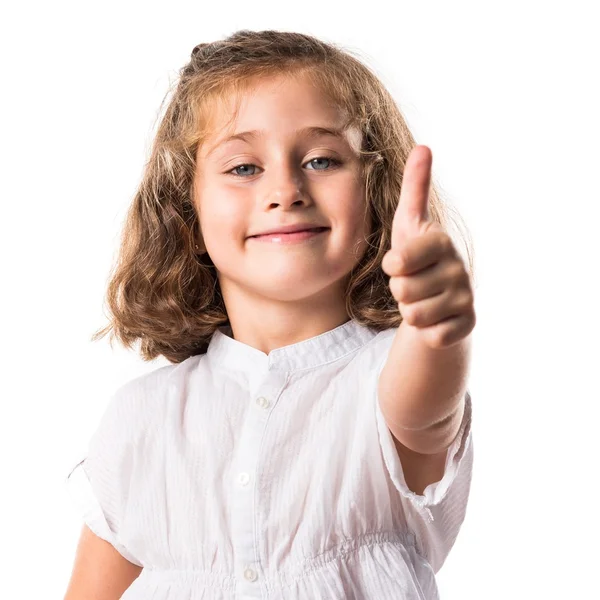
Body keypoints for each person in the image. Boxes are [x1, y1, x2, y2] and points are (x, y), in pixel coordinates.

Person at [63, 29, 477, 600]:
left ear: (375, 191)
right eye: (242, 167)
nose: (285, 188)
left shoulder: (383, 382)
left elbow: (427, 413)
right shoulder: (143, 418)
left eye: (321, 159)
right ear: (188, 211)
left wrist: (436, 326)